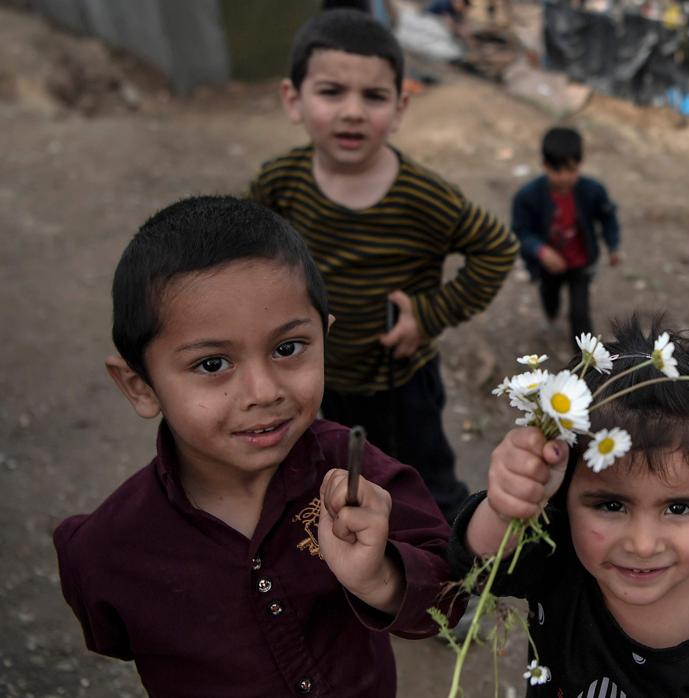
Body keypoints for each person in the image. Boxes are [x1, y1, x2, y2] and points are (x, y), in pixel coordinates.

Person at [54, 196, 462, 696]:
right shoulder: (107, 551)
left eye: (288, 349)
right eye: (211, 364)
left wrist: (380, 577)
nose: (264, 392)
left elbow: (451, 598)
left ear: (324, 337)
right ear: (140, 385)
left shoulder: (361, 480)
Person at [249, 9, 519, 522]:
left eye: (373, 97)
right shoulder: (280, 183)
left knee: (424, 480)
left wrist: (430, 315)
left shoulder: (425, 196)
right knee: (346, 470)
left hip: (403, 381)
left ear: (399, 108)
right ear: (293, 99)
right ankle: (373, 561)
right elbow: (247, 251)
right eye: (331, 92)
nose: (353, 111)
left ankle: (451, 566)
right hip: (321, 375)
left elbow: (496, 248)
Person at [449, 317, 689, 696]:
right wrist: (506, 506)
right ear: (563, 493)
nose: (643, 545)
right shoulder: (559, 560)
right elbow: (476, 567)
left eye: (677, 509)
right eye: (611, 505)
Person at [512, 127, 620, 351]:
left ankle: (584, 361)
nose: (564, 177)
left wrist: (613, 245)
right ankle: (551, 317)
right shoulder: (528, 197)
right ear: (544, 166)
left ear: (580, 164)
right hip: (548, 266)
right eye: (557, 171)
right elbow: (520, 231)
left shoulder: (592, 191)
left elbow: (608, 217)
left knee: (580, 313)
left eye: (571, 170)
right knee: (549, 296)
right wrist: (540, 250)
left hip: (581, 263)